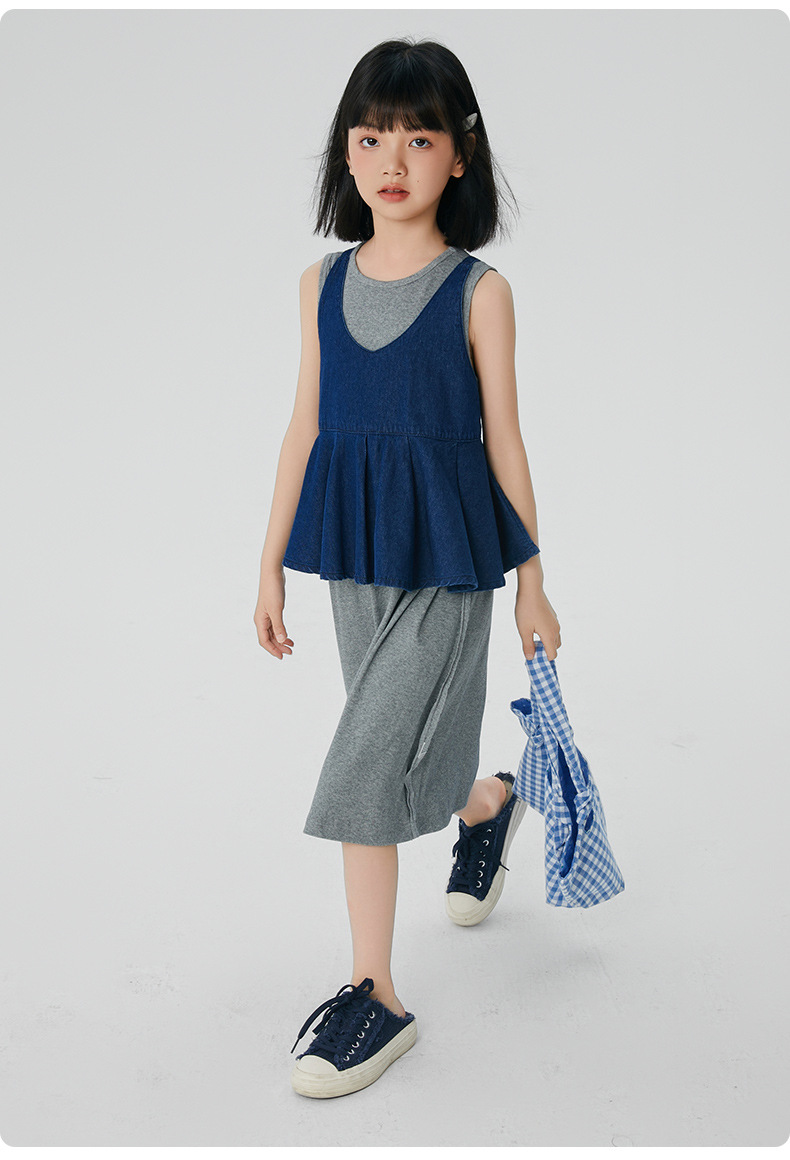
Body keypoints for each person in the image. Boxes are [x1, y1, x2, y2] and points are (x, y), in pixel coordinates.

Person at [253, 36, 562, 1100]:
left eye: (419, 138)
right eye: (371, 137)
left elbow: (506, 441)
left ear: (459, 156)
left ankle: (375, 993)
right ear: (345, 152)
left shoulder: (479, 291)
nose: (392, 159)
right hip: (351, 552)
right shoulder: (319, 283)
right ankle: (485, 804)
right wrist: (268, 563)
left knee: (361, 769)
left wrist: (532, 579)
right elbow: (303, 428)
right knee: (397, 757)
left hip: (449, 559)